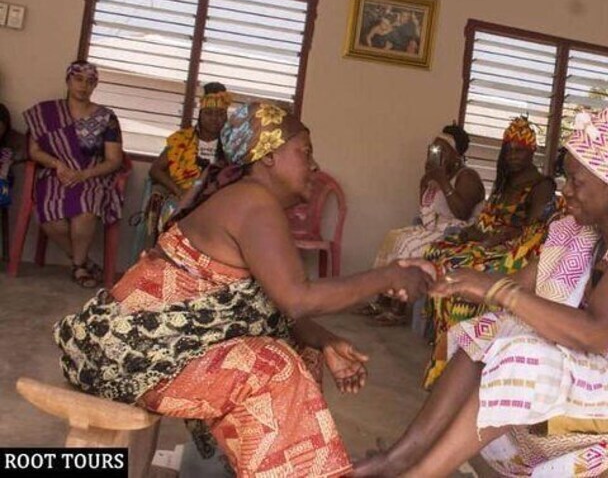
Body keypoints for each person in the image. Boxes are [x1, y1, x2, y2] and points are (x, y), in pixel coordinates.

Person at [54, 102, 433, 477]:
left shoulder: (248, 201)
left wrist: (325, 341)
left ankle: (272, 468)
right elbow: (296, 298)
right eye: (305, 152)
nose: (314, 165)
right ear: (268, 156)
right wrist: (388, 276)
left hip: (143, 349)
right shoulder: (253, 202)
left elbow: (261, 305)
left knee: (297, 353)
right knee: (272, 366)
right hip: (131, 357)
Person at [353, 104, 608, 478]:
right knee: (492, 330)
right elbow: (522, 285)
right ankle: (400, 459)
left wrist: (496, 289)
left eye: (576, 181)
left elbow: (595, 332)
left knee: (523, 354)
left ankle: (422, 474)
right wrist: (438, 279)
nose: (565, 192)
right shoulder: (584, 234)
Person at [422, 116, 556, 388]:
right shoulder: (506, 183)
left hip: (514, 251)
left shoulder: (542, 185)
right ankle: (442, 340)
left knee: (459, 271)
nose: (513, 156)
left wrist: (498, 238)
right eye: (509, 149)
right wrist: (473, 234)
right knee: (438, 253)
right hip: (487, 243)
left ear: (532, 152)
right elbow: (488, 221)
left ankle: (461, 356)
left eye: (519, 150)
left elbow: (533, 230)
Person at [365, 125, 485, 326]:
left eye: (442, 150)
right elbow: (425, 208)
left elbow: (462, 212)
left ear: (455, 155)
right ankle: (382, 298)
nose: (436, 154)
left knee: (410, 246)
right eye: (434, 149)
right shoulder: (439, 175)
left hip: (456, 232)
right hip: (434, 228)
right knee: (394, 237)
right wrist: (427, 180)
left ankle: (398, 306)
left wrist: (442, 181)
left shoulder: (467, 176)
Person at [24, 61, 124, 288]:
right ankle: (84, 262)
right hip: (55, 174)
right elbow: (34, 151)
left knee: (86, 211)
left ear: (95, 85)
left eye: (90, 81)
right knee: (50, 218)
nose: (83, 86)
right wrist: (57, 165)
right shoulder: (45, 113)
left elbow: (114, 160)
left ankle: (78, 267)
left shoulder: (106, 117)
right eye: (78, 79)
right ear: (68, 80)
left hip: (92, 175)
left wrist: (85, 174)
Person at [144, 82, 230, 244]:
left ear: (226, 117)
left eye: (220, 114)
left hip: (217, 198)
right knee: (171, 210)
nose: (214, 119)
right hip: (181, 194)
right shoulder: (182, 139)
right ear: (200, 115)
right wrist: (179, 191)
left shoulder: (232, 144)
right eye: (209, 113)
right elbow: (155, 170)